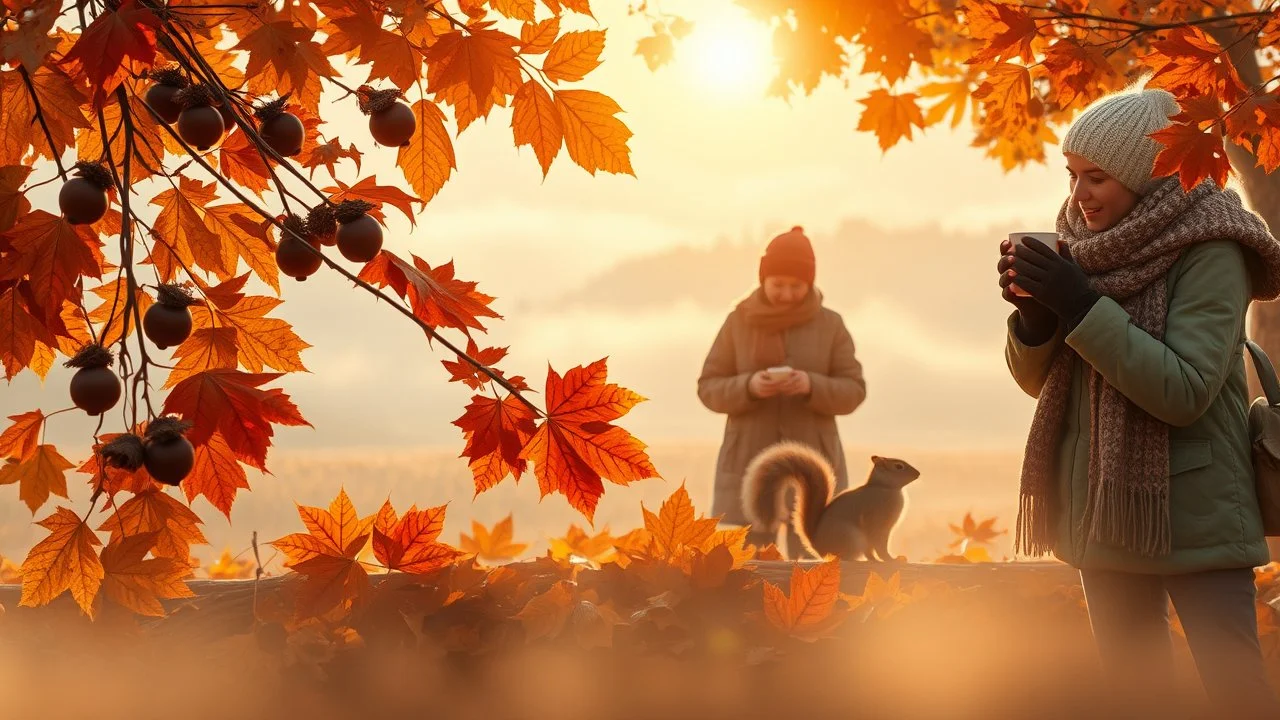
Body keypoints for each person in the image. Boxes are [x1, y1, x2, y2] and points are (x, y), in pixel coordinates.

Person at [999, 84, 1280, 716]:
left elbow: (1182, 391)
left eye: (1096, 177)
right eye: (1072, 175)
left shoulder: (1213, 247)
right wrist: (1037, 320)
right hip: (1104, 509)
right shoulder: (1085, 247)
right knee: (1136, 698)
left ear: (1147, 176)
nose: (1079, 196)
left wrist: (1077, 305)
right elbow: (1038, 386)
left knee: (1238, 696)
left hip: (1197, 515)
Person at [697, 226, 867, 558]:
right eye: (778, 285)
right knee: (747, 567)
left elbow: (854, 391)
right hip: (747, 461)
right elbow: (708, 387)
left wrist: (811, 385)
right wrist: (749, 386)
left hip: (814, 468)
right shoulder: (738, 321)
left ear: (810, 283)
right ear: (763, 280)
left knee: (817, 563)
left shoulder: (831, 325)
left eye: (796, 286)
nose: (787, 293)